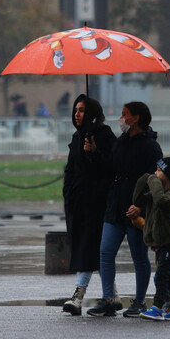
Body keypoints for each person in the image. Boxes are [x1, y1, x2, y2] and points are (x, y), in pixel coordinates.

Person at [87, 101, 163, 318]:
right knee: (105, 252)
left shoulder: (150, 146)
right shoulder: (121, 142)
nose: (121, 119)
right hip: (115, 204)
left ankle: (139, 301)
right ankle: (108, 299)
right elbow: (109, 168)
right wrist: (94, 152)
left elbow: (156, 179)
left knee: (139, 256)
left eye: (124, 115)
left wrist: (141, 205)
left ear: (136, 118)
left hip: (136, 209)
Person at [62, 94, 117, 316]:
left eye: (83, 110)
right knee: (93, 250)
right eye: (75, 109)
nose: (77, 114)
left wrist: (94, 153)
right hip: (79, 203)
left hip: (99, 203)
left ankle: (78, 295)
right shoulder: (77, 137)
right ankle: (112, 295)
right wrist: (68, 191)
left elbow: (111, 169)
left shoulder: (104, 136)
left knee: (90, 248)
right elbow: (71, 169)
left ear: (93, 113)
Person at [127, 156, 170, 321]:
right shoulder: (157, 191)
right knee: (169, 277)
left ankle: (157, 307)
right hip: (160, 243)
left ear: (168, 175)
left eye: (159, 170)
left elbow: (161, 201)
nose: (155, 173)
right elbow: (138, 198)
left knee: (161, 276)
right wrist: (144, 179)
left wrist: (152, 180)